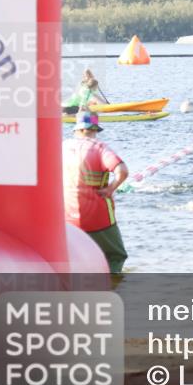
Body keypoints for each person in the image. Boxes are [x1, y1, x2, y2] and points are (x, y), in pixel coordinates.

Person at [62, 111, 129, 274]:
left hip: (67, 216)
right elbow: (122, 171)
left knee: (74, 257)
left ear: (78, 129)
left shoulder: (63, 146)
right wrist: (111, 188)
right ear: (95, 129)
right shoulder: (99, 148)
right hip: (98, 217)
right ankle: (110, 284)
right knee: (115, 256)